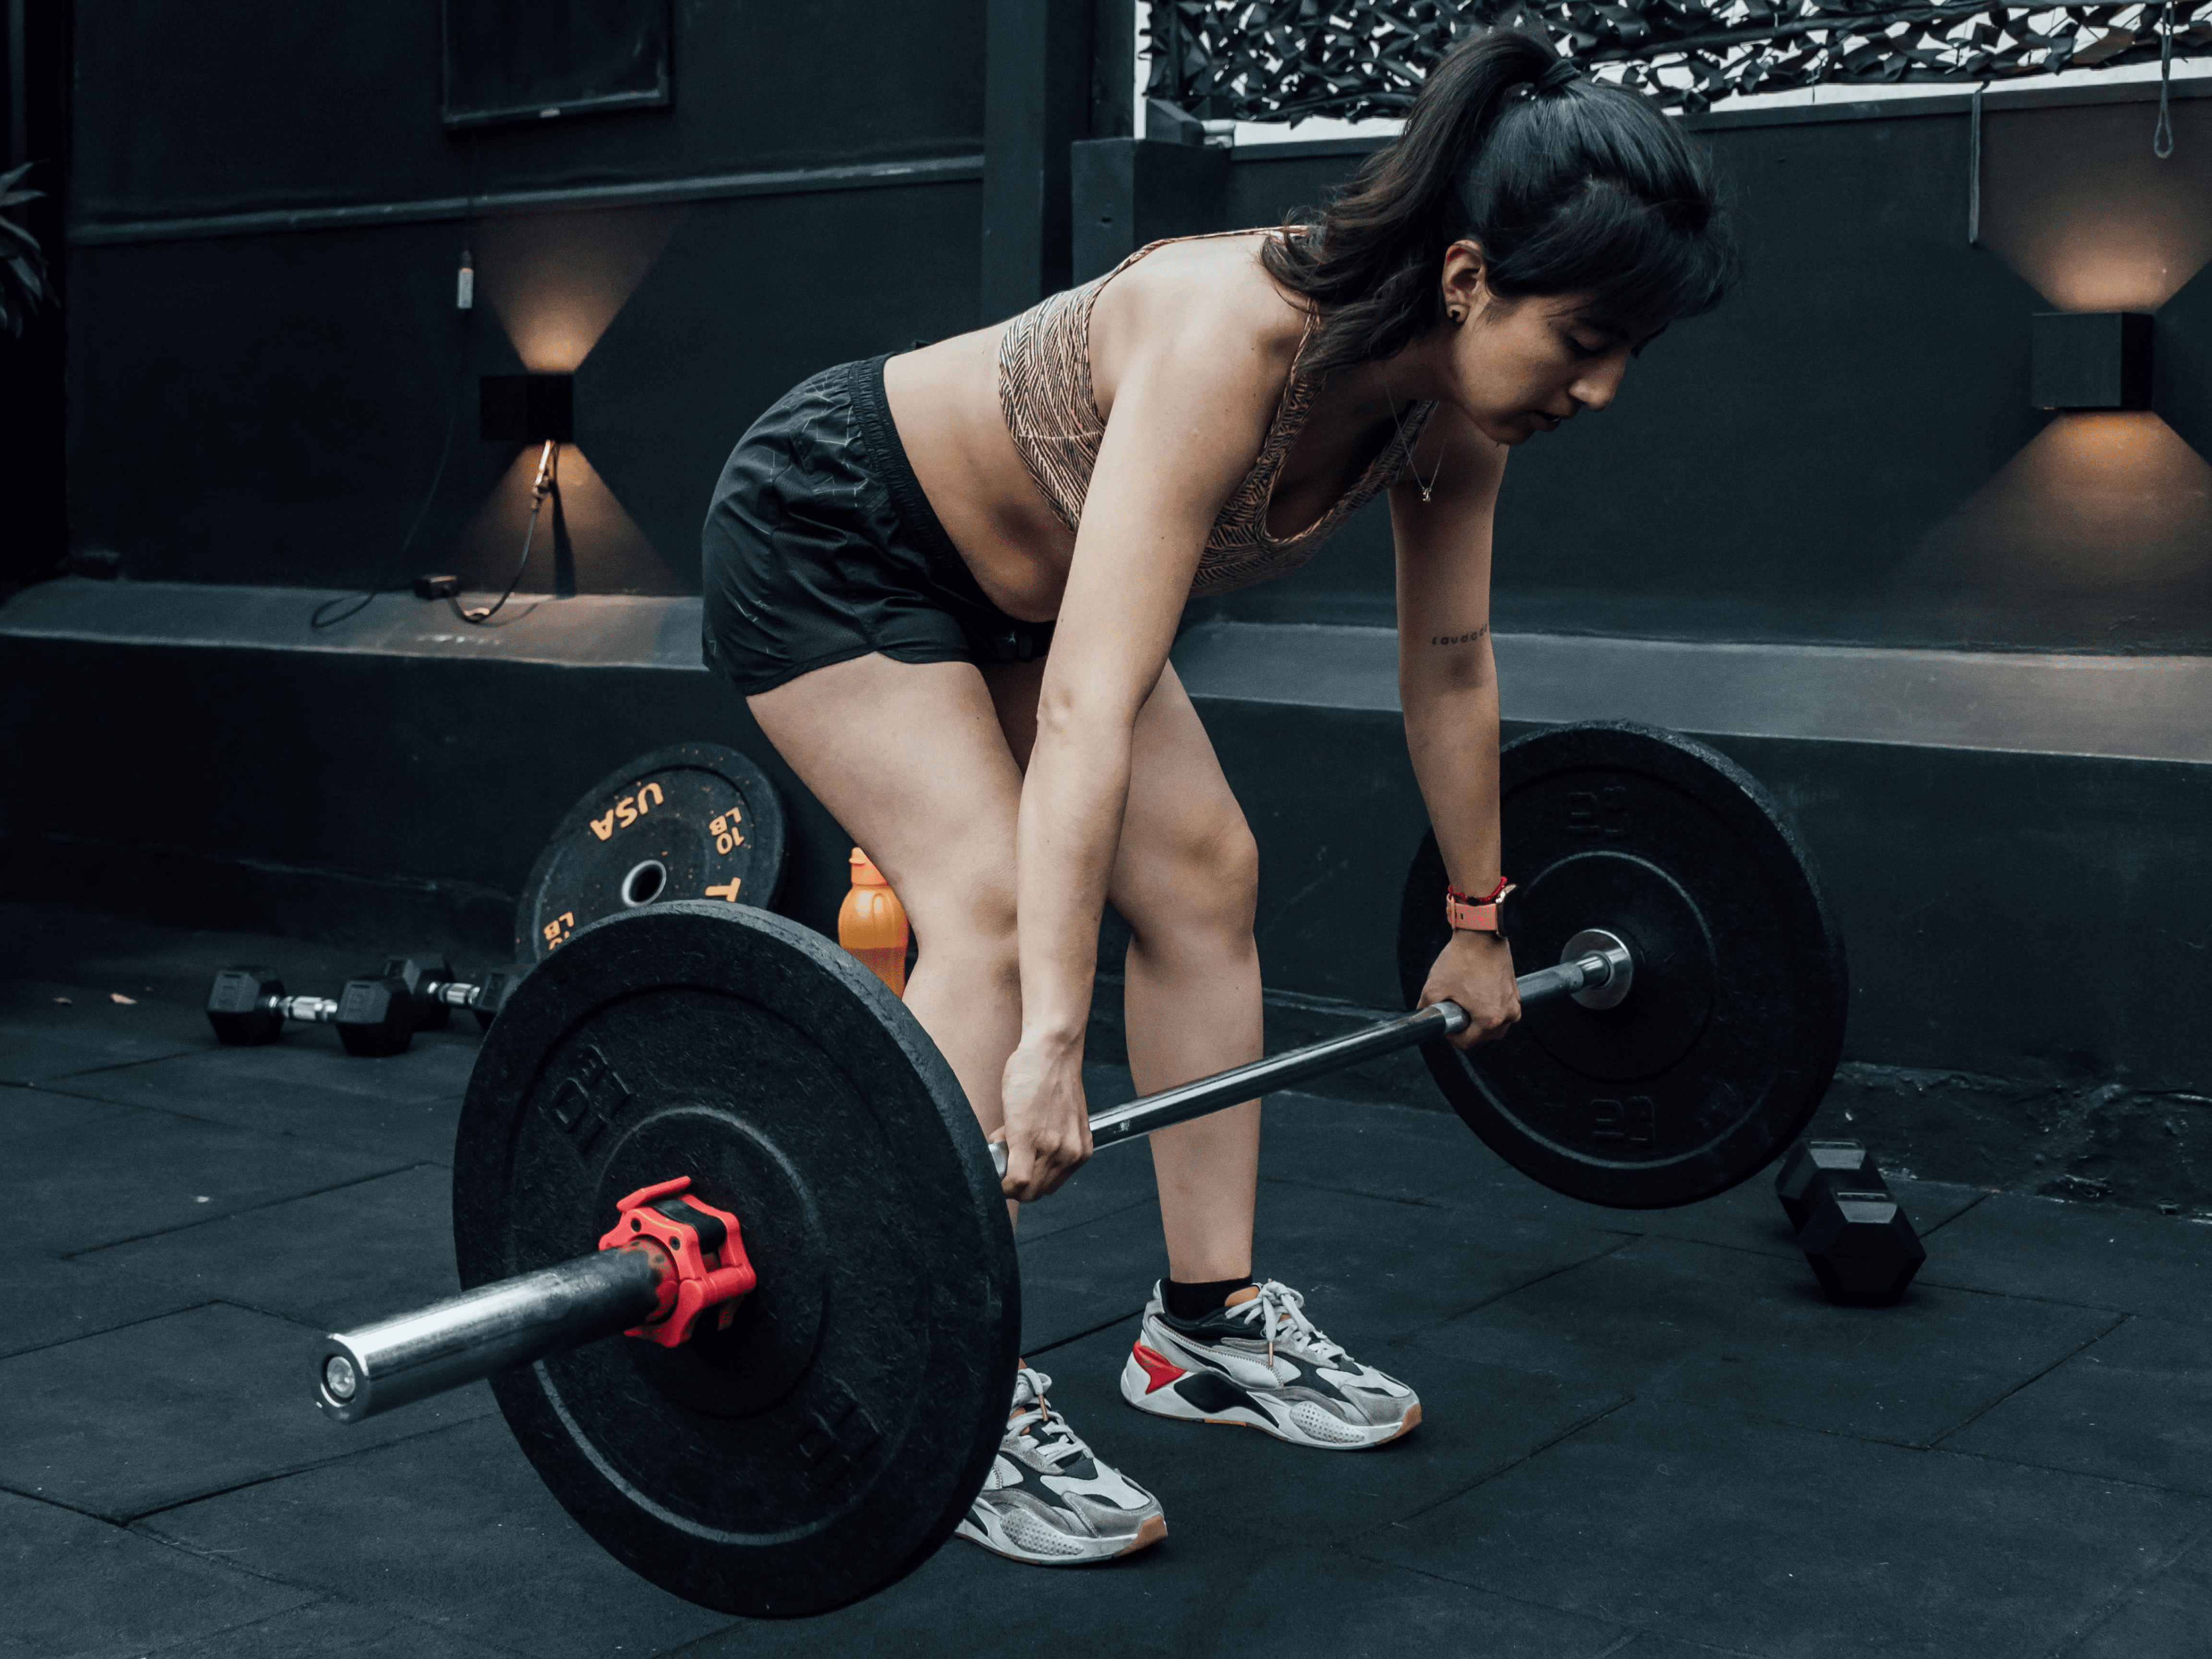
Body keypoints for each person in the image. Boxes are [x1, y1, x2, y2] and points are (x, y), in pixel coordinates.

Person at [701, 27, 1733, 1566]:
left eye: (1627, 351)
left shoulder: (1456, 417)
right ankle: (923, 1375)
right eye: (1585, 337)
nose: (1601, 386)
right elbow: (1087, 706)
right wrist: (1055, 1041)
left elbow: (1451, 663)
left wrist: (1478, 921)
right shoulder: (1231, 333)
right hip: (837, 532)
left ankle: (1203, 1328)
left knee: (1205, 876)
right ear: (1467, 279)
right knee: (990, 912)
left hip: (1025, 596)